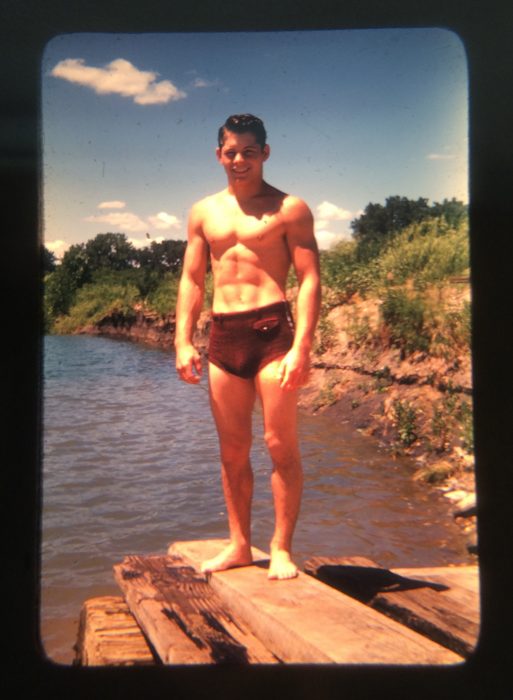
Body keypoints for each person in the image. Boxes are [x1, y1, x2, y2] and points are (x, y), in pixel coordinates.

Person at [174, 114, 321, 580]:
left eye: (249, 152)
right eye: (231, 152)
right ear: (219, 154)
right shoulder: (203, 212)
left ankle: (280, 548)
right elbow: (192, 279)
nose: (239, 160)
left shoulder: (289, 208)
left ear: (265, 153)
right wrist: (181, 340)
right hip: (223, 336)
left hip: (271, 331)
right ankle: (239, 544)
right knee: (232, 451)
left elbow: (311, 278)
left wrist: (302, 347)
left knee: (280, 445)